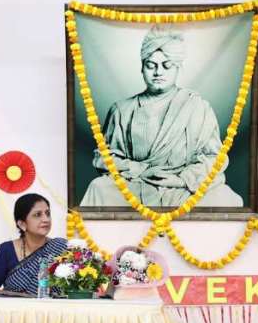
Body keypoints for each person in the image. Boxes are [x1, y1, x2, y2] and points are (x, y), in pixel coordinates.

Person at [77, 32, 244, 211]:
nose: (158, 72)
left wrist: (181, 180)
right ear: (142, 68)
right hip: (136, 183)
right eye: (151, 65)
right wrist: (140, 170)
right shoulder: (122, 110)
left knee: (225, 197)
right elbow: (104, 157)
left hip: (183, 187)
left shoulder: (198, 107)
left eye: (166, 65)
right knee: (99, 187)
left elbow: (215, 157)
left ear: (178, 68)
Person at [0, 192, 68, 294]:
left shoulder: (61, 248)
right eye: (37, 215)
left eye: (47, 213)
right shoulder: (7, 250)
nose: (46, 219)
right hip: (14, 305)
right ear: (22, 224)